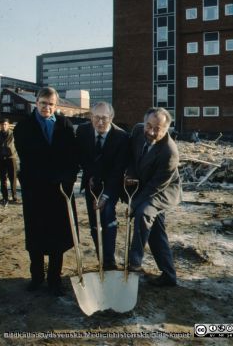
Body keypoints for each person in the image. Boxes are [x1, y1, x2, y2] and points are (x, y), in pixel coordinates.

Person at [14, 87, 78, 296]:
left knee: (57, 237)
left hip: (59, 191)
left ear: (56, 105)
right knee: (36, 235)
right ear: (36, 102)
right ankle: (37, 277)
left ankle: (54, 279)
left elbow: (72, 157)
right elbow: (28, 158)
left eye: (50, 104)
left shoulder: (65, 125)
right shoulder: (23, 127)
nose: (46, 108)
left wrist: (68, 177)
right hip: (36, 191)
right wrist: (42, 179)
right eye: (43, 103)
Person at [125, 107, 182, 286]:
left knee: (144, 213)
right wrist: (131, 173)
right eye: (148, 125)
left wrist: (133, 205)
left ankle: (134, 262)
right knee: (156, 232)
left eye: (157, 129)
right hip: (145, 183)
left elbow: (154, 187)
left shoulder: (170, 152)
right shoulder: (137, 130)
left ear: (166, 129)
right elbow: (131, 156)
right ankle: (169, 276)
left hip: (163, 189)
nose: (150, 131)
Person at [76, 101, 129, 269]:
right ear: (91, 117)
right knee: (94, 222)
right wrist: (91, 175)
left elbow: (118, 169)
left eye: (104, 118)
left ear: (111, 118)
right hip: (92, 183)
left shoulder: (121, 137)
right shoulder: (83, 131)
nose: (100, 122)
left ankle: (109, 261)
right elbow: (83, 157)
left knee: (106, 215)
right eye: (96, 118)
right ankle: (102, 259)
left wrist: (106, 195)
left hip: (111, 184)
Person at [0, 118, 17, 206]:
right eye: (2, 124)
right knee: (3, 179)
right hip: (1, 158)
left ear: (8, 125)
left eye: (5, 124)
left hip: (11, 158)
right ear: (0, 125)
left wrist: (14, 153)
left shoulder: (13, 134)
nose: (4, 126)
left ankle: (14, 195)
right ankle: (5, 197)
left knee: (13, 178)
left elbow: (18, 145)